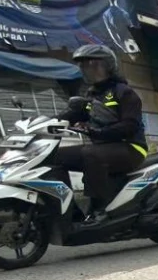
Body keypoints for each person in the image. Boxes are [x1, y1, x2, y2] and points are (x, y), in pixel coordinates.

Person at [54, 44, 147, 224]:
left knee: (91, 154)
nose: (88, 70)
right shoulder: (92, 94)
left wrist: (100, 132)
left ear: (108, 66)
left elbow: (130, 125)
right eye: (84, 66)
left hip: (131, 148)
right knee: (54, 157)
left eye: (93, 65)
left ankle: (99, 208)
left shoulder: (124, 92)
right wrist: (43, 122)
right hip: (104, 148)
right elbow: (72, 114)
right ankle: (69, 210)